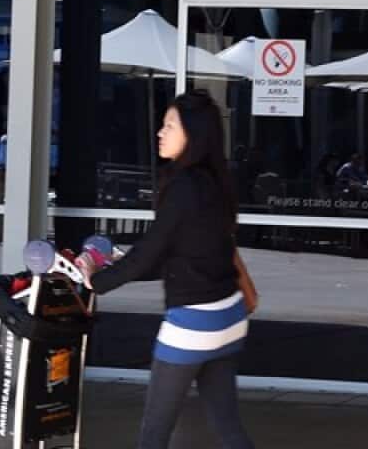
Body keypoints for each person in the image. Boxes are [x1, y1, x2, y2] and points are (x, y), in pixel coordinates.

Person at [76, 90, 255, 449]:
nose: (160, 132)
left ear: (193, 135)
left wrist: (96, 282)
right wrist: (117, 263)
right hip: (230, 318)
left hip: (193, 324)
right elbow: (171, 258)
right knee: (229, 428)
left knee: (153, 434)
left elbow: (149, 254)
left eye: (170, 125)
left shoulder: (182, 187)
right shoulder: (216, 184)